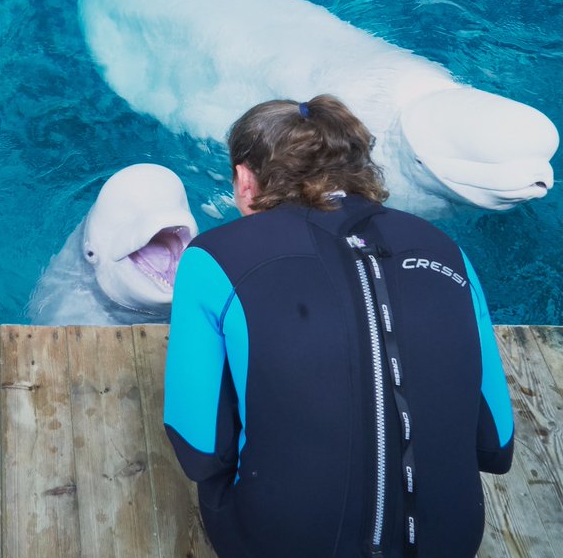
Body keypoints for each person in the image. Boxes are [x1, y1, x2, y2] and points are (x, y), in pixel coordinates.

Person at [163, 94, 514, 558]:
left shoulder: (213, 257)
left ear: (247, 180)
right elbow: (497, 442)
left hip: (283, 543)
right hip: (449, 541)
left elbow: (200, 448)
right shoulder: (446, 250)